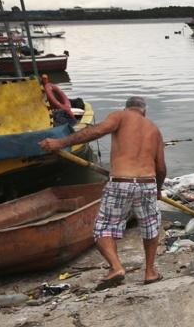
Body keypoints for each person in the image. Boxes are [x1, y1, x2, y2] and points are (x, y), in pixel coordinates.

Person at [39, 96, 166, 284]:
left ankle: (116, 267)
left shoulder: (120, 116)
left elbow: (96, 130)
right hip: (147, 183)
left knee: (103, 228)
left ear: (127, 108)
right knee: (150, 228)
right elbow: (161, 167)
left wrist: (60, 143)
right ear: (144, 111)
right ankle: (150, 272)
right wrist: (158, 189)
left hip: (121, 181)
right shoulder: (154, 129)